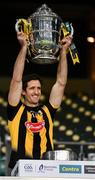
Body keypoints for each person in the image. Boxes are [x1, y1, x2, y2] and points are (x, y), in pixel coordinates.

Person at [7, 31, 72, 171]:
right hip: (21, 170)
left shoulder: (47, 111)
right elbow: (16, 79)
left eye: (38, 88)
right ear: (23, 91)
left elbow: (61, 82)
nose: (36, 92)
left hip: (48, 169)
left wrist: (63, 52)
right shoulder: (15, 110)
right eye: (32, 88)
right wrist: (24, 47)